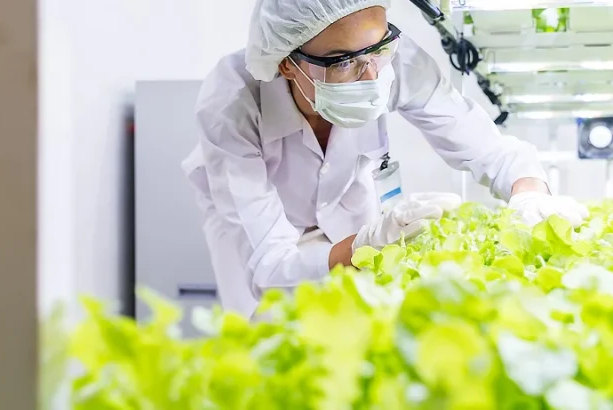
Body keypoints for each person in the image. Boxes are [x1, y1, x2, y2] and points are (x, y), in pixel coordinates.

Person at [182, 0, 589, 318]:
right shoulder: (232, 103)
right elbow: (271, 264)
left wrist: (530, 193)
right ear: (288, 64)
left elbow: (486, 146)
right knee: (269, 323)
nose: (372, 75)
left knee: (364, 316)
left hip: (347, 205)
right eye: (343, 62)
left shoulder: (391, 60)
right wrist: (366, 244)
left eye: (379, 49)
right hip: (258, 230)